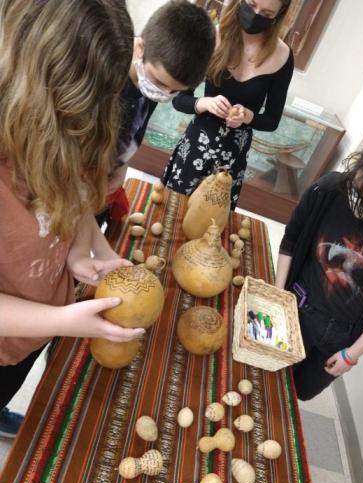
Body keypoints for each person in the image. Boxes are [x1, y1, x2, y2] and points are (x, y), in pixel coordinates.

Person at [0, 0, 145, 437]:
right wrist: (65, 321)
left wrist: (83, 249)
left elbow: (73, 199)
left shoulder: (68, 123)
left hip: (31, 334)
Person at [275, 133, 363, 401]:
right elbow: (292, 238)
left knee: (299, 392)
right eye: (357, 187)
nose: (358, 201)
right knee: (265, 376)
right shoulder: (330, 190)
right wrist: (277, 292)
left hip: (338, 334)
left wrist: (351, 355)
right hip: (294, 303)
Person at [161, 0, 294, 209]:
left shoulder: (283, 56)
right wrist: (204, 103)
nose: (256, 15)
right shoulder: (212, 37)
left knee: (211, 228)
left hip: (232, 161)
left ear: (278, 16)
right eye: (251, 4)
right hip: (196, 148)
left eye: (267, 14)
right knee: (172, 212)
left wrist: (248, 116)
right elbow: (178, 98)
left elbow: (271, 120)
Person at [99, 0, 216, 227]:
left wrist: (121, 168)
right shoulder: (107, 77)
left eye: (174, 91)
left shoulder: (149, 86)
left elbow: (131, 133)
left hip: (106, 186)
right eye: (160, 82)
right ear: (140, 48)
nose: (163, 94)